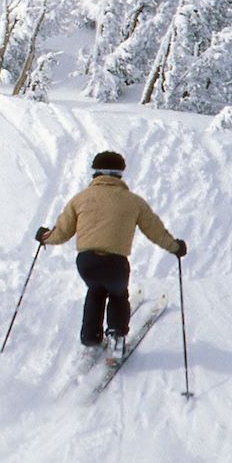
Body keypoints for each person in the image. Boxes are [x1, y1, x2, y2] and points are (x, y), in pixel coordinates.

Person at [34, 149, 187, 363]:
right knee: (118, 294)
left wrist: (44, 237)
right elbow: (155, 231)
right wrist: (175, 247)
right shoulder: (133, 201)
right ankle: (116, 339)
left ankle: (90, 340)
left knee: (95, 291)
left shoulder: (80, 199)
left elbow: (61, 233)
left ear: (95, 173)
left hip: (87, 262)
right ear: (119, 174)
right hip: (116, 263)